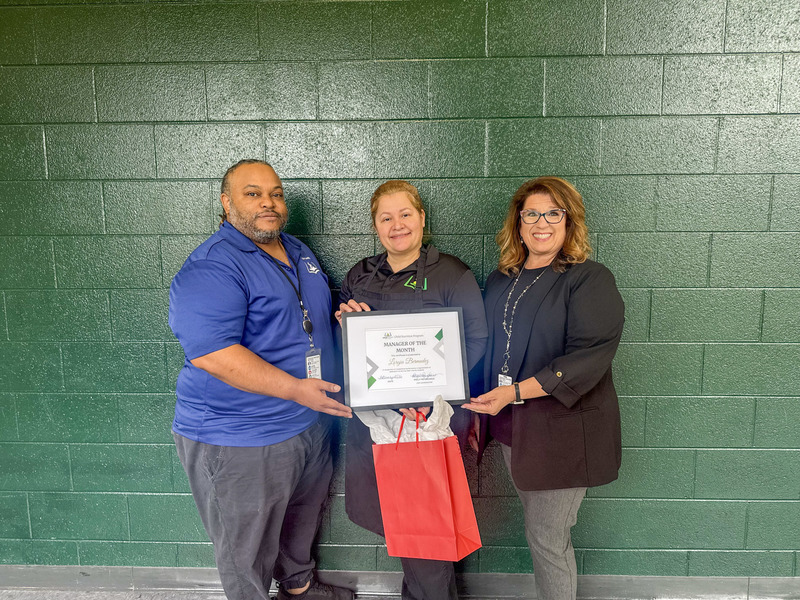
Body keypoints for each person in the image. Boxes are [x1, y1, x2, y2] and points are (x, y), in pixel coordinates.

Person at [168, 159, 354, 600]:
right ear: (226, 202)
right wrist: (295, 389)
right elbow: (213, 353)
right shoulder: (213, 266)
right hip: (240, 435)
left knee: (300, 522)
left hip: (306, 421)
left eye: (275, 193)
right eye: (253, 194)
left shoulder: (297, 250)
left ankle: (299, 590)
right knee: (245, 549)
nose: (268, 202)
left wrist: (347, 317)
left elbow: (304, 316)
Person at [463, 176, 624, 600]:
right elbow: (486, 347)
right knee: (540, 532)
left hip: (562, 435)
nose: (542, 223)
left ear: (569, 222)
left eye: (554, 213)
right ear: (518, 224)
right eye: (531, 214)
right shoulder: (502, 279)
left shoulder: (589, 279)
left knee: (547, 537)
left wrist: (514, 393)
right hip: (513, 429)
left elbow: (587, 357)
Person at [336, 180, 488, 600]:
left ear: (421, 218)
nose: (397, 225)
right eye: (386, 217)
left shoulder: (452, 273)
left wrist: (426, 394)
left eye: (405, 214)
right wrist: (345, 322)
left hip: (427, 422)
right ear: (375, 225)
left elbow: (475, 341)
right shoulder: (359, 274)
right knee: (407, 525)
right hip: (375, 425)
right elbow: (350, 347)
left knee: (424, 528)